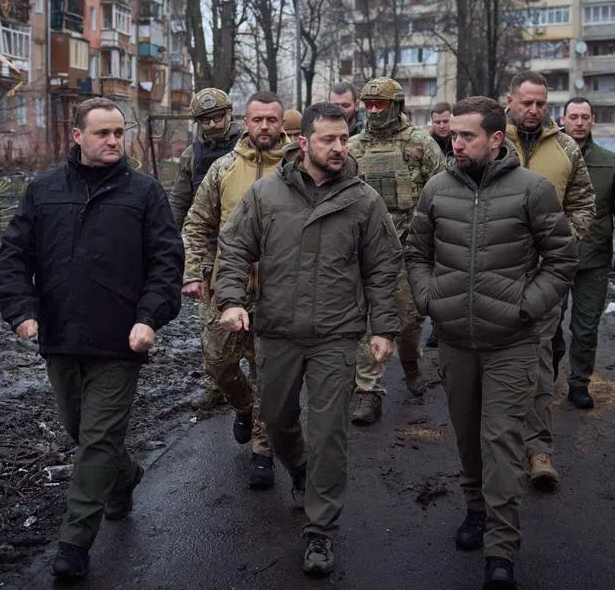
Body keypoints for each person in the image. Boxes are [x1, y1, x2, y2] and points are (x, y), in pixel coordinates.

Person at [0, 98, 184, 582]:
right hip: (59, 336)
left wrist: (150, 318)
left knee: (96, 440)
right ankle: (126, 475)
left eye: (120, 132)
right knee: (81, 430)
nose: (114, 141)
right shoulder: (43, 191)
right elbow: (14, 257)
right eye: (103, 133)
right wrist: (21, 311)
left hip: (121, 341)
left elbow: (167, 262)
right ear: (76, 136)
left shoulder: (144, 194)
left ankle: (75, 541)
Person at [214, 102, 403, 577]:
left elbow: (383, 267)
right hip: (277, 331)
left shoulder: (363, 200)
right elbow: (235, 247)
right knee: (276, 422)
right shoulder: (266, 194)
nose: (339, 148)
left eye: (344, 139)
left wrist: (384, 327)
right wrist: (231, 299)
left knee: (329, 434)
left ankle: (320, 530)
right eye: (328, 140)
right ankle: (298, 469)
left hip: (335, 336)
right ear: (304, 143)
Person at [406, 96, 577, 590]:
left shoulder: (532, 191)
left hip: (512, 342)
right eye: (453, 135)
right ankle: (475, 508)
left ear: (495, 139)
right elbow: (415, 252)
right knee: (466, 435)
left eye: (467, 136)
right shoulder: (436, 189)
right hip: (456, 340)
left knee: (500, 440)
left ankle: (501, 547)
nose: (455, 143)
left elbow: (563, 260)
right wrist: (429, 298)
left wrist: (525, 305)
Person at [182, 91, 289, 490]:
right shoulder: (224, 167)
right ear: (245, 120)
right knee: (219, 363)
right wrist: (194, 273)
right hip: (227, 287)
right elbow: (196, 223)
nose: (264, 126)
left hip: (281, 291)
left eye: (272, 120)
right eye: (257, 119)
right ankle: (243, 406)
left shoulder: (298, 168)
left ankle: (263, 451)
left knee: (269, 372)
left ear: (282, 123)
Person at [502, 71, 595, 488]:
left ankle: (539, 450)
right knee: (490, 365)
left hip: (542, 275)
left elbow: (583, 203)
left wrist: (561, 245)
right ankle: (494, 448)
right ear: (510, 101)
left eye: (541, 103)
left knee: (538, 364)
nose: (534, 110)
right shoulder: (489, 141)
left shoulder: (565, 147)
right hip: (490, 274)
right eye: (527, 102)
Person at [347, 77, 446, 425]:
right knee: (366, 323)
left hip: (410, 252)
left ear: (396, 106)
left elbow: (443, 194)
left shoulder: (421, 145)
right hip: (366, 252)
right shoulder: (353, 148)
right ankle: (369, 391)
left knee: (406, 323)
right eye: (368, 105)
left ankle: (409, 362)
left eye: (380, 105)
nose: (373, 112)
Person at [169, 88, 244, 412]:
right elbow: (180, 200)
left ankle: (259, 392)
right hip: (210, 252)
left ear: (230, 114)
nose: (214, 123)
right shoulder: (193, 155)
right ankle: (217, 385)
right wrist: (168, 239)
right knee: (210, 325)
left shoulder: (247, 147)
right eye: (206, 119)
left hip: (250, 248)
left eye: (218, 116)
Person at [560, 97, 615, 410]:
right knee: (547, 326)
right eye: (573, 116)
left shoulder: (609, 162)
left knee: (586, 327)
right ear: (562, 119)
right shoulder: (551, 157)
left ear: (592, 120)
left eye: (584, 117)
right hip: (553, 257)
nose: (578, 122)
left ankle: (578, 383)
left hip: (593, 257)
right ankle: (546, 373)